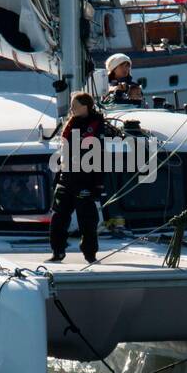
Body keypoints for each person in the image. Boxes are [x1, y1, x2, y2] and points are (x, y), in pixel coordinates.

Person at [49, 91, 106, 263]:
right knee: (58, 217)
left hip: (85, 179)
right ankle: (57, 251)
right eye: (72, 105)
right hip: (66, 178)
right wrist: (58, 177)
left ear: (86, 106)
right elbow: (63, 153)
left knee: (87, 219)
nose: (72, 108)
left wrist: (98, 185)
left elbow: (99, 156)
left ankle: (90, 254)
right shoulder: (71, 124)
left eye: (75, 105)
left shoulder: (96, 125)